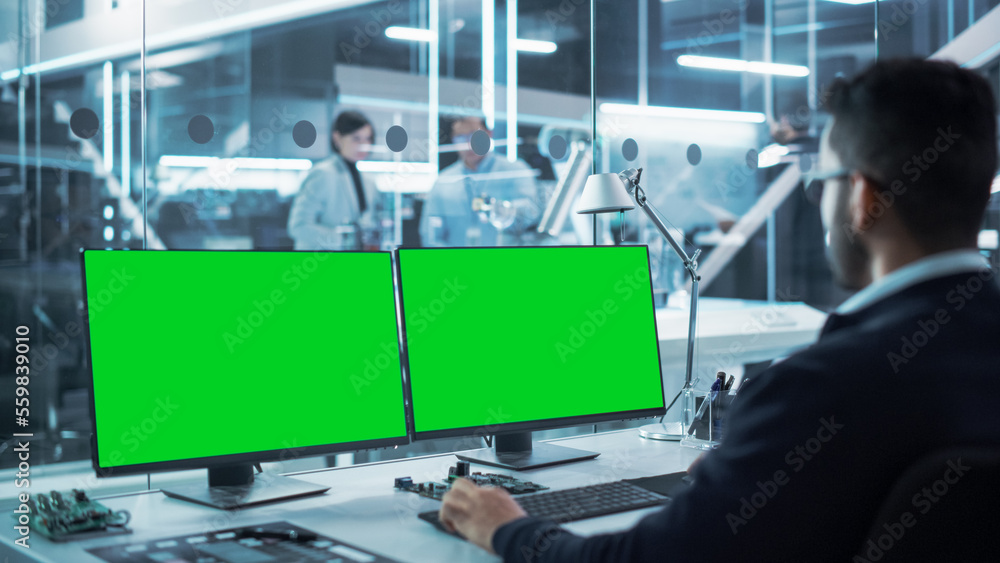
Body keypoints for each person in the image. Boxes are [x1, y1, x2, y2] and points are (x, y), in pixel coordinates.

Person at [439, 58, 1000, 561]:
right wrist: (750, 474)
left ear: (861, 197)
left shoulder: (817, 390)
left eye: (819, 183)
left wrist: (508, 529)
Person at [421, 116, 540, 246]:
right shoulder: (444, 182)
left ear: (489, 134)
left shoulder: (516, 172)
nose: (468, 144)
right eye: (460, 137)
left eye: (474, 135)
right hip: (456, 264)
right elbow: (431, 237)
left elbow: (531, 215)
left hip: (504, 262)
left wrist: (503, 211)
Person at [288, 110, 380, 250]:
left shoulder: (367, 180)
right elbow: (299, 227)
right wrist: (344, 240)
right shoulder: (322, 174)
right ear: (337, 138)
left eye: (367, 138)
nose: (364, 145)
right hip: (322, 263)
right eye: (356, 138)